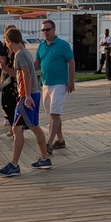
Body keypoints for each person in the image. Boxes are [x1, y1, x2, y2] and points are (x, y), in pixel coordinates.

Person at [0, 28, 51, 177]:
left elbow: (25, 75)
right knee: (33, 126)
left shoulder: (19, 55)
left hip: (27, 95)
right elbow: (19, 76)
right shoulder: (25, 53)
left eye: (6, 43)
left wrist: (26, 96)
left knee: (17, 128)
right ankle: (44, 158)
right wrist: (4, 68)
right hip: (34, 92)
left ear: (9, 41)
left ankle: (14, 165)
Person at [36, 18, 75, 153]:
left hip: (59, 83)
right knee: (54, 114)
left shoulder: (62, 45)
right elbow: (37, 61)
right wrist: (25, 70)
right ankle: (60, 140)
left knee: (54, 113)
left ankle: (49, 143)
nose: (45, 32)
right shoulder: (41, 46)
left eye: (47, 29)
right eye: (43, 30)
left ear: (54, 30)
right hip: (46, 83)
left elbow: (71, 61)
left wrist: (71, 81)